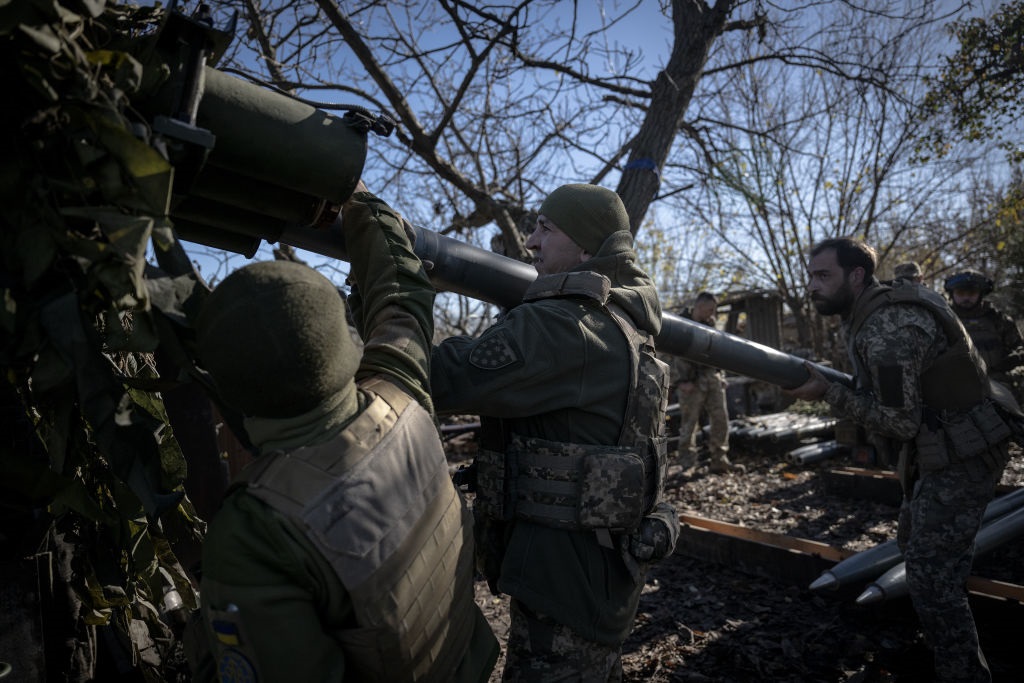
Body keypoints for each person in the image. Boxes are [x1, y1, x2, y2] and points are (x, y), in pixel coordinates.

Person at [188, 186, 498, 682]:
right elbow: (402, 293)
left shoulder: (253, 531)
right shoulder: (401, 391)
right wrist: (358, 198)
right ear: (340, 343)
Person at [431, 183, 679, 681]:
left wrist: (396, 289)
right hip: (600, 576)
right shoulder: (629, 323)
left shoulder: (568, 326)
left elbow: (444, 377)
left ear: (588, 248)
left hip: (562, 585)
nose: (531, 242)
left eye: (547, 228)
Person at [789, 237, 1021, 683]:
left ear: (856, 276)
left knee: (932, 579)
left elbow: (899, 422)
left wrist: (829, 394)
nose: (812, 286)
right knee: (915, 542)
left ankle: (963, 672)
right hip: (941, 446)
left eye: (823, 276)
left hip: (966, 452)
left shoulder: (888, 328)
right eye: (811, 275)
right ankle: (940, 642)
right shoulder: (867, 312)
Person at [670, 292, 738, 475]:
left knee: (721, 420)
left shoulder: (712, 324)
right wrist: (679, 382)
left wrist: (721, 375)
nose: (713, 313)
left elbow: (718, 352)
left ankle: (719, 459)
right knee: (689, 424)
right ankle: (687, 463)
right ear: (699, 307)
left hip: (712, 378)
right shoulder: (679, 324)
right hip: (689, 382)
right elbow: (667, 355)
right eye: (710, 309)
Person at [945, 269, 1024, 398]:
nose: (966, 298)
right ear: (952, 294)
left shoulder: (998, 320)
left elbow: (1020, 348)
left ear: (981, 293)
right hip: (954, 386)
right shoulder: (944, 320)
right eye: (960, 293)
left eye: (971, 293)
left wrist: (1014, 360)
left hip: (997, 385)